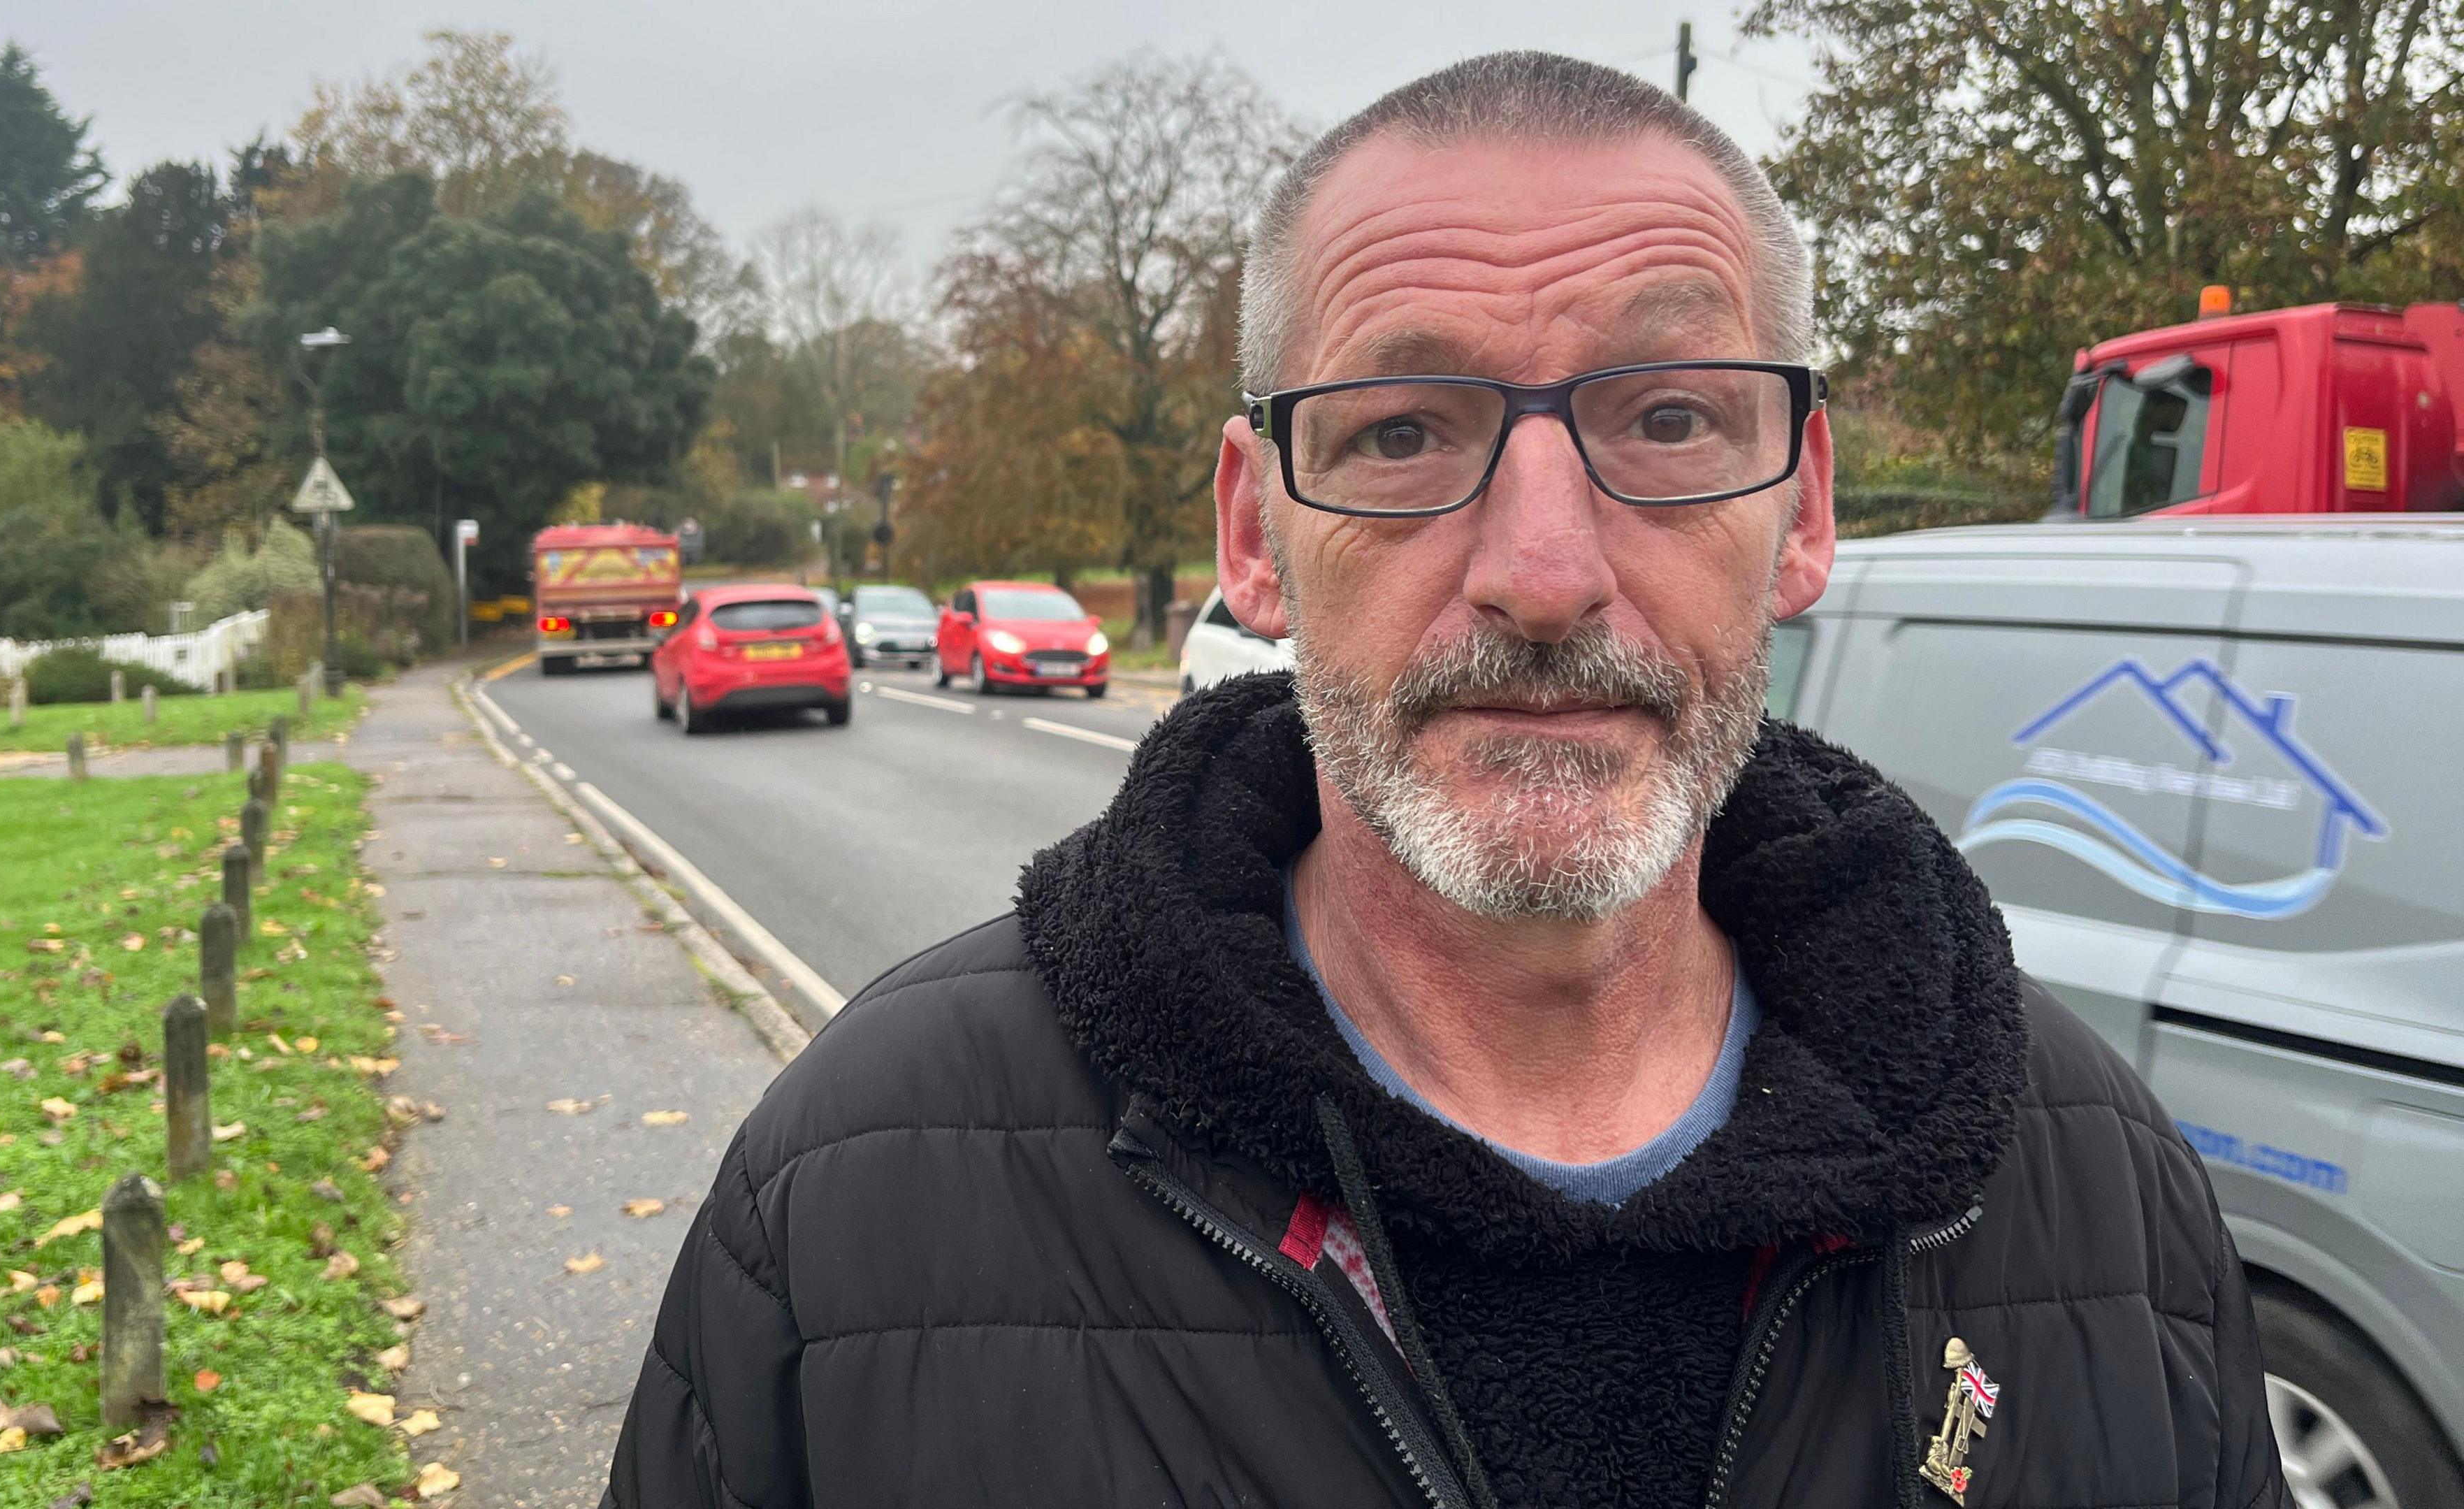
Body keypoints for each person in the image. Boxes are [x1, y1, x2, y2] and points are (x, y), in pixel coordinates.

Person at [602, 52, 2284, 1509]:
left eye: (1673, 419)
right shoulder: (853, 1196)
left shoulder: (2096, 1189)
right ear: (1257, 534)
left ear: (1810, 510)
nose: (1542, 573)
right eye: (1403, 432)